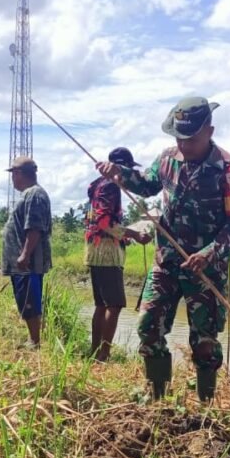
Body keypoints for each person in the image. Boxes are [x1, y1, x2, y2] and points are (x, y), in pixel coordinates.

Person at [96, 96, 230, 402]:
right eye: (179, 138)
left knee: (204, 342)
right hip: (166, 261)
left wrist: (208, 253)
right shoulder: (168, 159)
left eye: (191, 139)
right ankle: (158, 401)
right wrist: (119, 174)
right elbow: (147, 185)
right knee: (148, 327)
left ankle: (206, 408)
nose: (184, 145)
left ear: (210, 130)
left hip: (206, 269)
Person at [84, 147, 152, 361]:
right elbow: (104, 222)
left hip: (96, 247)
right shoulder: (111, 186)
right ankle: (103, 355)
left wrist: (124, 236)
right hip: (105, 250)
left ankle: (96, 353)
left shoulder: (96, 185)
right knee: (114, 304)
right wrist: (133, 233)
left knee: (102, 304)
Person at [2, 156, 52, 349]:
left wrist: (24, 254)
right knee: (25, 299)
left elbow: (35, 228)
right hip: (22, 262)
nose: (12, 178)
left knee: (30, 300)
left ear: (19, 173)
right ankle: (33, 339)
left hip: (28, 262)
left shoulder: (35, 195)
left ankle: (35, 341)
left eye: (13, 174)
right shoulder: (29, 194)